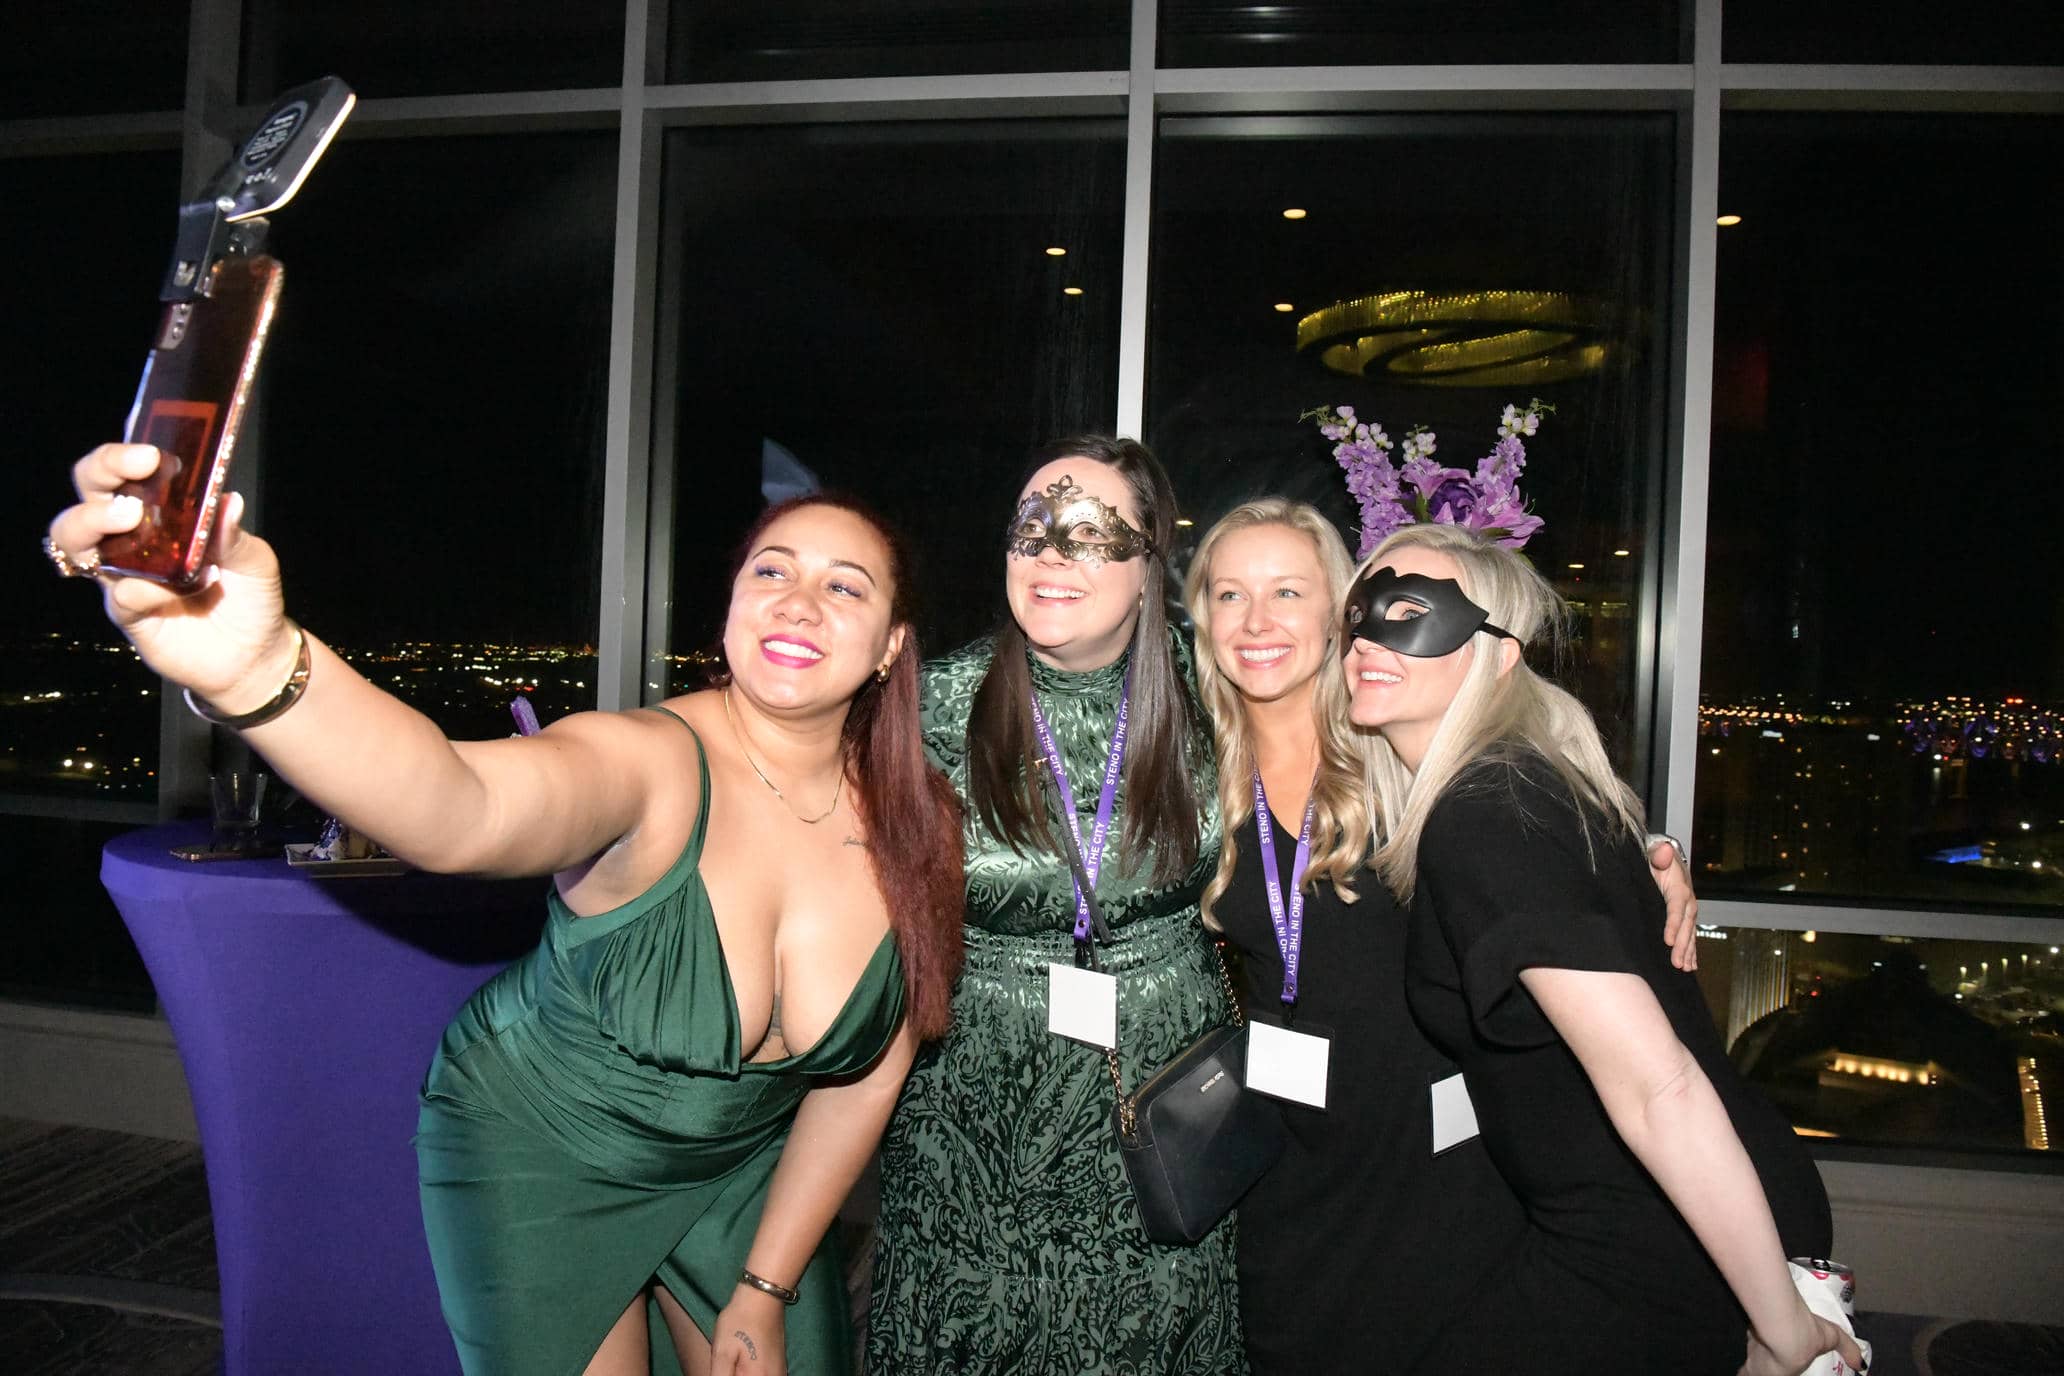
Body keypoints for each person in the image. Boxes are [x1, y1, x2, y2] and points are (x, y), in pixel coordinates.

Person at [45, 445, 966, 1376]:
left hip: (742, 1170)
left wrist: (765, 1288)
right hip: (543, 1149)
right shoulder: (648, 762)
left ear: (892, 645)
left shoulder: (920, 823)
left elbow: (863, 1080)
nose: (799, 602)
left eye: (844, 587)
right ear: (732, 603)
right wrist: (260, 672)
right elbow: (465, 806)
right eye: (772, 571)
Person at [1184, 499, 1702, 1374]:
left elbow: (1536, 805)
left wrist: (1651, 850)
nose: (1257, 621)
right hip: (1291, 1157)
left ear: (1343, 609)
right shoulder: (1196, 770)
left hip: (1439, 1157)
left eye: (1288, 592)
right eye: (1230, 594)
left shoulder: (1396, 741)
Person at [1345, 520, 1864, 1376]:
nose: (1369, 636)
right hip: (1681, 1207)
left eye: (1410, 613)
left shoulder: (1486, 813)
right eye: (1361, 614)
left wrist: (1781, 1326)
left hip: (1660, 1238)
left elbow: (1659, 1087)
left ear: (1499, 656)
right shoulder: (1529, 780)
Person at [866, 437, 1244, 1374]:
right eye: (1030, 530)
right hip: (975, 1127)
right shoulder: (932, 707)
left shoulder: (1219, 691)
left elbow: (1364, 771)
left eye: (1090, 534)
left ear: (1150, 562)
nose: (1050, 555)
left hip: (1164, 1109)